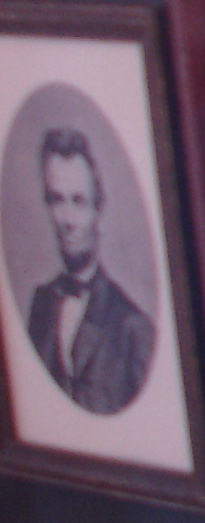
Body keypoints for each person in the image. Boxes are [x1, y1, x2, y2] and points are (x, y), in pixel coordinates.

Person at [25, 128, 152, 415]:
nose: (67, 220)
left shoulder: (134, 328)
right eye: (57, 200)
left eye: (78, 201)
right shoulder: (41, 304)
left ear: (99, 211)